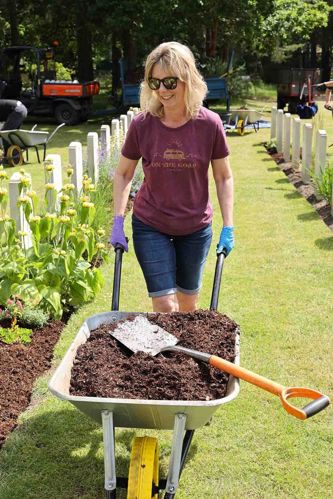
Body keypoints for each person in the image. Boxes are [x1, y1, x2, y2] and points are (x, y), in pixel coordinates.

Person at [110, 41, 234, 313]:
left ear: (187, 79)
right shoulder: (143, 124)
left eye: (169, 82)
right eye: (155, 83)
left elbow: (223, 177)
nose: (162, 91)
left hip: (195, 226)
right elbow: (123, 173)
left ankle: (182, 356)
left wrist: (228, 225)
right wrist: (118, 221)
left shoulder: (209, 124)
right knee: (166, 306)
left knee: (188, 307)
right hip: (150, 223)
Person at [0, 81, 28, 158]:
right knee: (12, 134)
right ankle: (16, 154)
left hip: (17, 110)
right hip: (21, 109)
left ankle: (10, 156)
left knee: (5, 133)